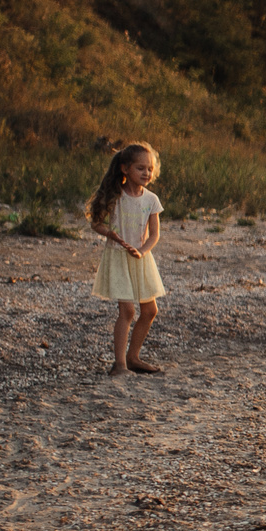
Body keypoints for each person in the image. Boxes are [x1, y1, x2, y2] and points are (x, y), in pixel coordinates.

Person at [87, 141, 167, 375]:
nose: (146, 173)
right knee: (127, 311)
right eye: (140, 168)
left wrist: (142, 251)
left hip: (141, 259)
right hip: (118, 257)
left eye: (150, 169)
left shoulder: (151, 200)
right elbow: (96, 223)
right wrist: (109, 233)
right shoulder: (116, 196)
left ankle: (133, 357)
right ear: (125, 169)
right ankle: (119, 364)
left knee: (150, 311)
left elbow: (154, 235)